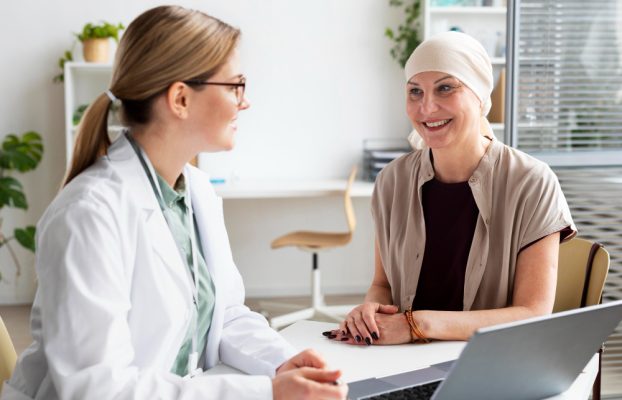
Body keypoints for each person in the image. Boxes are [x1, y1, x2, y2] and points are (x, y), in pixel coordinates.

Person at [2, 6, 347, 400]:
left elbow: (226, 315)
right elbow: (96, 388)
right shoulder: (88, 213)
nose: (244, 102)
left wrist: (283, 362)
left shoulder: (196, 191)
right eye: (236, 86)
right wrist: (266, 393)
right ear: (181, 98)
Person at [325, 31, 576, 346]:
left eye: (445, 88)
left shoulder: (532, 182)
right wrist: (371, 311)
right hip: (402, 361)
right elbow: (382, 285)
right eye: (415, 92)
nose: (427, 107)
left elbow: (532, 313)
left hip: (489, 362)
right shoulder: (392, 180)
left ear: (480, 97)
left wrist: (418, 324)